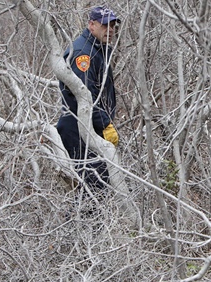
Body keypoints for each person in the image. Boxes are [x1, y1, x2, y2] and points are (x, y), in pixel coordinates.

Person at [57, 6, 121, 198]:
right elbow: (84, 96)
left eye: (112, 25)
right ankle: (82, 229)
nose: (110, 29)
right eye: (104, 25)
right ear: (91, 25)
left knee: (95, 189)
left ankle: (87, 228)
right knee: (94, 191)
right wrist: (105, 124)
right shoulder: (83, 53)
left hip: (89, 127)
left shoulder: (99, 49)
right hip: (79, 127)